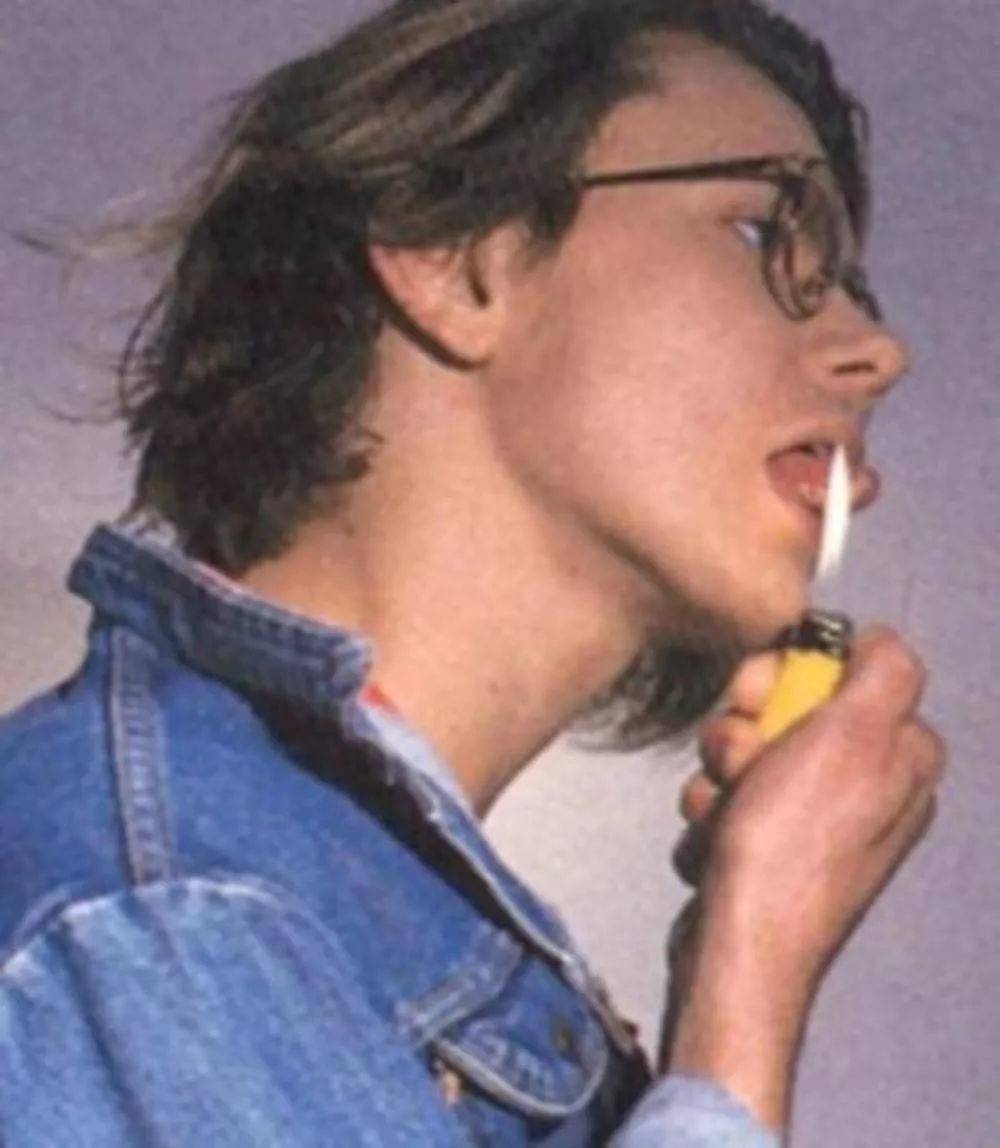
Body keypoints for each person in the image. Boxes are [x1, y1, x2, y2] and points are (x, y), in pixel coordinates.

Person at [0, 1, 945, 1144]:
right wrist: (746, 986)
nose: (876, 353)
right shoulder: (167, 918)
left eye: (849, 284)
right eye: (761, 232)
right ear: (453, 261)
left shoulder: (295, 905)